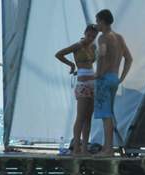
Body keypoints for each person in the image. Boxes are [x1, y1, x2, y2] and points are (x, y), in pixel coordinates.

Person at [93, 9, 132, 155]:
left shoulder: (103, 37)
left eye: (97, 21)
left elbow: (102, 53)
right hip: (114, 78)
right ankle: (107, 147)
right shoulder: (119, 38)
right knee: (109, 111)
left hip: (104, 79)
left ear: (103, 21)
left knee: (106, 114)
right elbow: (129, 58)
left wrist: (98, 73)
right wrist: (122, 77)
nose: (96, 24)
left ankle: (108, 148)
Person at [55, 24, 99, 155]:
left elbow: (93, 62)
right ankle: (76, 148)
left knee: (88, 117)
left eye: (93, 36)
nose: (90, 38)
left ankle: (84, 147)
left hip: (92, 83)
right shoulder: (78, 45)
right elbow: (59, 54)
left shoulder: (93, 47)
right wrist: (71, 65)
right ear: (85, 33)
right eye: (89, 35)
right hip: (82, 84)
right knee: (80, 116)